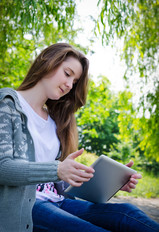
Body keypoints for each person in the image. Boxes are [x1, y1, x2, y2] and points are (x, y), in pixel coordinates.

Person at [0, 43, 158, 232]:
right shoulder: (8, 104)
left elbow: (59, 180)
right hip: (28, 206)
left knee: (127, 214)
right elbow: (3, 167)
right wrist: (58, 169)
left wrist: (109, 182)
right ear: (47, 61)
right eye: (67, 74)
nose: (69, 85)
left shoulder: (54, 120)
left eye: (74, 82)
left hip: (59, 201)